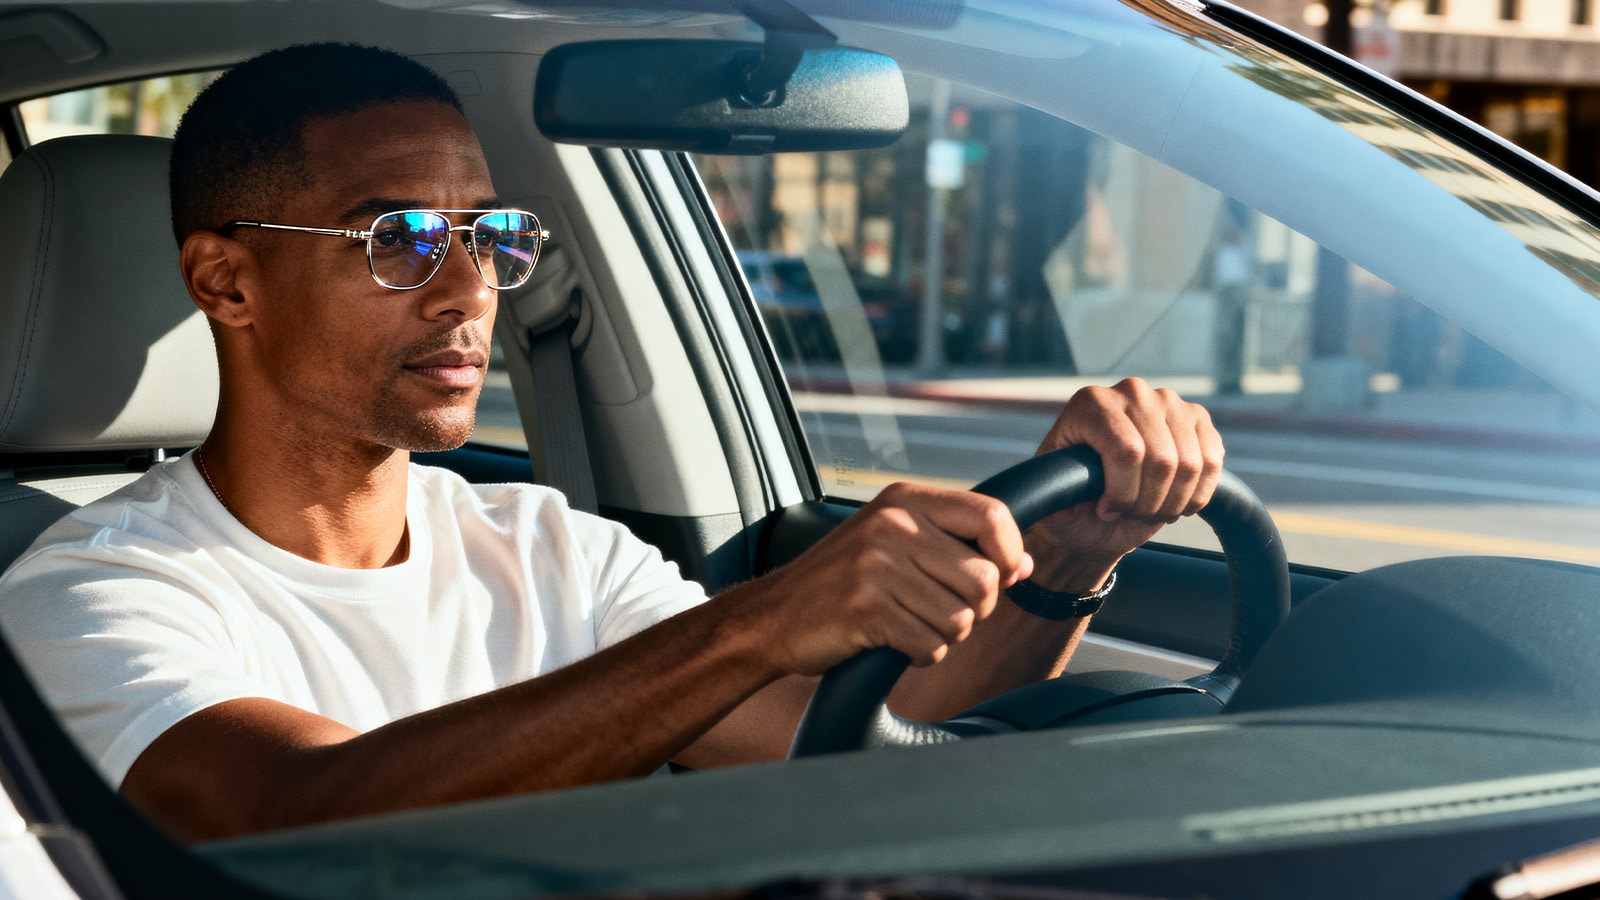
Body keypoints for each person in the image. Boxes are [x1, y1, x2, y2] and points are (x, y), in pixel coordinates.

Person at [0, 44, 1224, 843]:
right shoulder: (88, 593)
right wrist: (753, 622)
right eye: (401, 237)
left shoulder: (548, 547)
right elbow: (289, 815)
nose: (469, 289)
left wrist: (1068, 564)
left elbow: (863, 748)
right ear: (227, 282)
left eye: (490, 235)